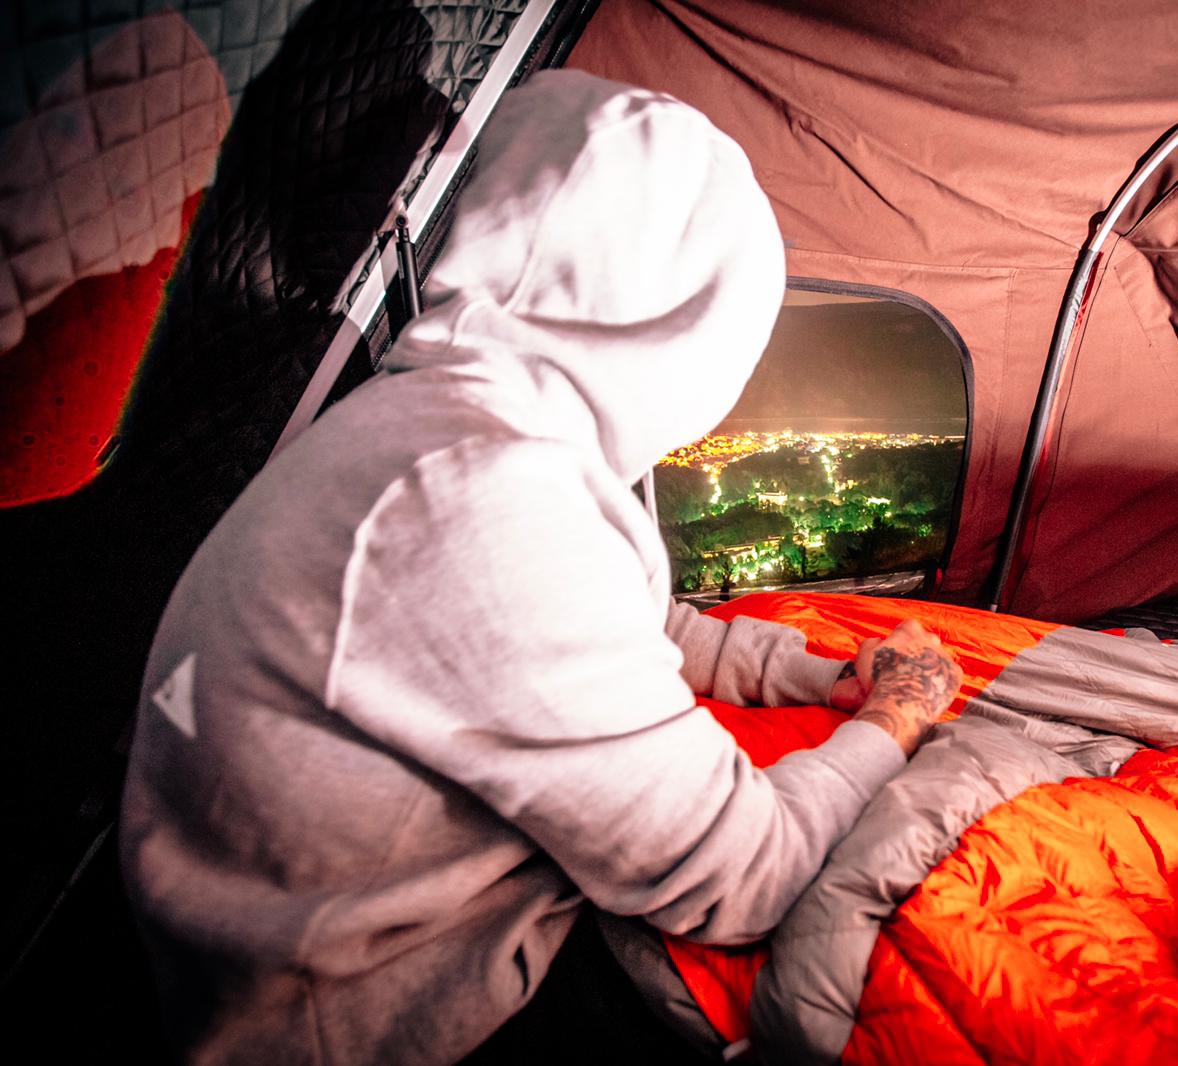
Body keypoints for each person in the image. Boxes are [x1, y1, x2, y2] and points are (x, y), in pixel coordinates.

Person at [118, 70, 961, 1064]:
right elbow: (745, 875)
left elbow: (621, 621)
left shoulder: (444, 425)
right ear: (694, 315)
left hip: (307, 950)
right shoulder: (481, 499)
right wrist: (895, 717)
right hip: (351, 1023)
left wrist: (813, 678)